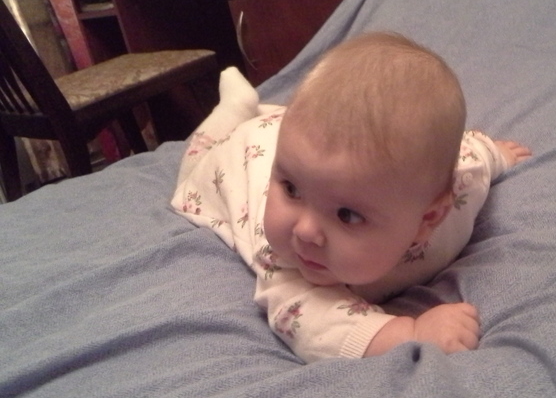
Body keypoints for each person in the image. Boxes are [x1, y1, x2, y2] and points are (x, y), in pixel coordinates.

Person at [171, 32, 532, 363]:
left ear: (429, 219)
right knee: (200, 155)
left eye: (347, 214)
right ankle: (232, 109)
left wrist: (497, 154)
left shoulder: (462, 189)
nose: (305, 231)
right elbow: (315, 325)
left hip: (294, 148)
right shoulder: (286, 262)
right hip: (240, 158)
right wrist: (410, 332)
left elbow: (472, 154)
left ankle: (257, 121)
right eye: (291, 190)